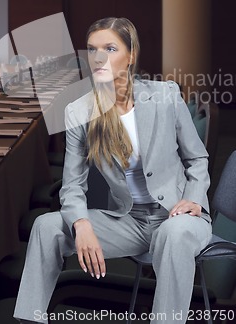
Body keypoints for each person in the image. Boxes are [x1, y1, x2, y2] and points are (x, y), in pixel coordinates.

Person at [14, 17, 212, 324]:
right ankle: (30, 318)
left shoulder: (164, 96)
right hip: (129, 222)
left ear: (131, 55)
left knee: (173, 234)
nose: (99, 58)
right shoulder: (79, 111)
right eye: (93, 50)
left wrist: (195, 199)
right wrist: (81, 224)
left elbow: (197, 159)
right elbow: (72, 185)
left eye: (110, 48)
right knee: (46, 226)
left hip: (181, 218)